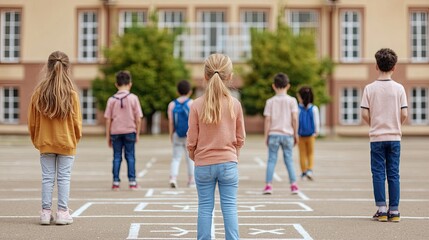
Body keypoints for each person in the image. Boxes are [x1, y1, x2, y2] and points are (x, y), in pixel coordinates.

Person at [187, 53, 245, 240]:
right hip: (228, 162)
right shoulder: (234, 104)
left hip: (203, 164)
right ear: (230, 76)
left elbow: (191, 139)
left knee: (205, 207)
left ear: (205, 76)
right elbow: (240, 137)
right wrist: (234, 154)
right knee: (229, 207)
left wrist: (194, 155)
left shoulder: (196, 105)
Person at [28, 51, 82, 225]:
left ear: (48, 66)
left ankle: (45, 213)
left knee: (47, 178)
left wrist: (37, 140)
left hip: (46, 142)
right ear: (67, 68)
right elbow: (77, 123)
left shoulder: (39, 93)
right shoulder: (72, 94)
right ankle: (62, 212)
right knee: (64, 178)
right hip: (66, 142)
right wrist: (74, 140)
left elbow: (32, 122)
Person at [361, 48, 408, 223]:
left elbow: (365, 114)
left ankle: (381, 209)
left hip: (377, 138)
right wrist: (395, 125)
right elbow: (404, 114)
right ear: (394, 67)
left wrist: (374, 124)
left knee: (378, 173)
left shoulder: (369, 88)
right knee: (394, 174)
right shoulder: (399, 88)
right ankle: (394, 211)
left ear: (376, 66)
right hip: (395, 137)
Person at [104, 70, 143, 191]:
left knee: (116, 157)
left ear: (116, 84)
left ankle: (115, 182)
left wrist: (108, 136)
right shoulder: (133, 98)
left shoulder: (111, 100)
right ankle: (132, 182)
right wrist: (138, 133)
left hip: (115, 132)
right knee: (130, 156)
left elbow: (108, 120)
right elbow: (138, 118)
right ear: (130, 84)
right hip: (130, 131)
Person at [262, 72, 300, 195]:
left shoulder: (270, 101)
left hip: (273, 133)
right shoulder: (292, 101)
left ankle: (268, 185)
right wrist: (296, 134)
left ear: (274, 86)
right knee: (289, 159)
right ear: (288, 86)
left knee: (271, 160)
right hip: (288, 134)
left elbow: (267, 119)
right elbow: (294, 118)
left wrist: (266, 135)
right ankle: (293, 185)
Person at [167, 80, 195, 188]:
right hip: (189, 135)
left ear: (177, 91)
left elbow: (171, 122)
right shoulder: (192, 103)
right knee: (190, 159)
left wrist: (171, 135)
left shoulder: (172, 104)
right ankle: (191, 180)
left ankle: (173, 178)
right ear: (190, 91)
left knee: (176, 158)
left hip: (177, 134)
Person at [297, 86, 320, 181]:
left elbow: (296, 121)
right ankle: (310, 170)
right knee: (310, 153)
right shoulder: (314, 108)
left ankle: (303, 171)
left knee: (302, 153)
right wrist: (316, 132)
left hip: (300, 135)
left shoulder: (298, 108)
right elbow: (316, 121)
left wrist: (295, 132)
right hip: (311, 135)